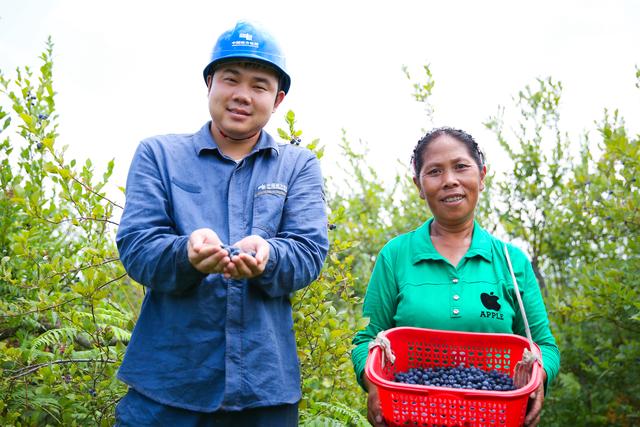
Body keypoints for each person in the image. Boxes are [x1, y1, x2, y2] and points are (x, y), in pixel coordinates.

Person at [114, 20, 329, 426]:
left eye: (259, 85)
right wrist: (185, 253)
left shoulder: (298, 165)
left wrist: (269, 256)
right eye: (231, 79)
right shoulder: (159, 155)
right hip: (165, 388)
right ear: (210, 83)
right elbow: (138, 247)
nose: (242, 95)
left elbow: (308, 252)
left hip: (264, 393)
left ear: (278, 98)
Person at [351, 127, 560, 427]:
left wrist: (539, 376)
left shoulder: (511, 262)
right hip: (413, 416)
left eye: (461, 167)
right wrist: (372, 381)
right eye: (434, 171)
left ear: (482, 175)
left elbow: (543, 346)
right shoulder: (396, 255)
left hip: (494, 417)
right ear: (419, 186)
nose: (450, 180)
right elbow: (367, 341)